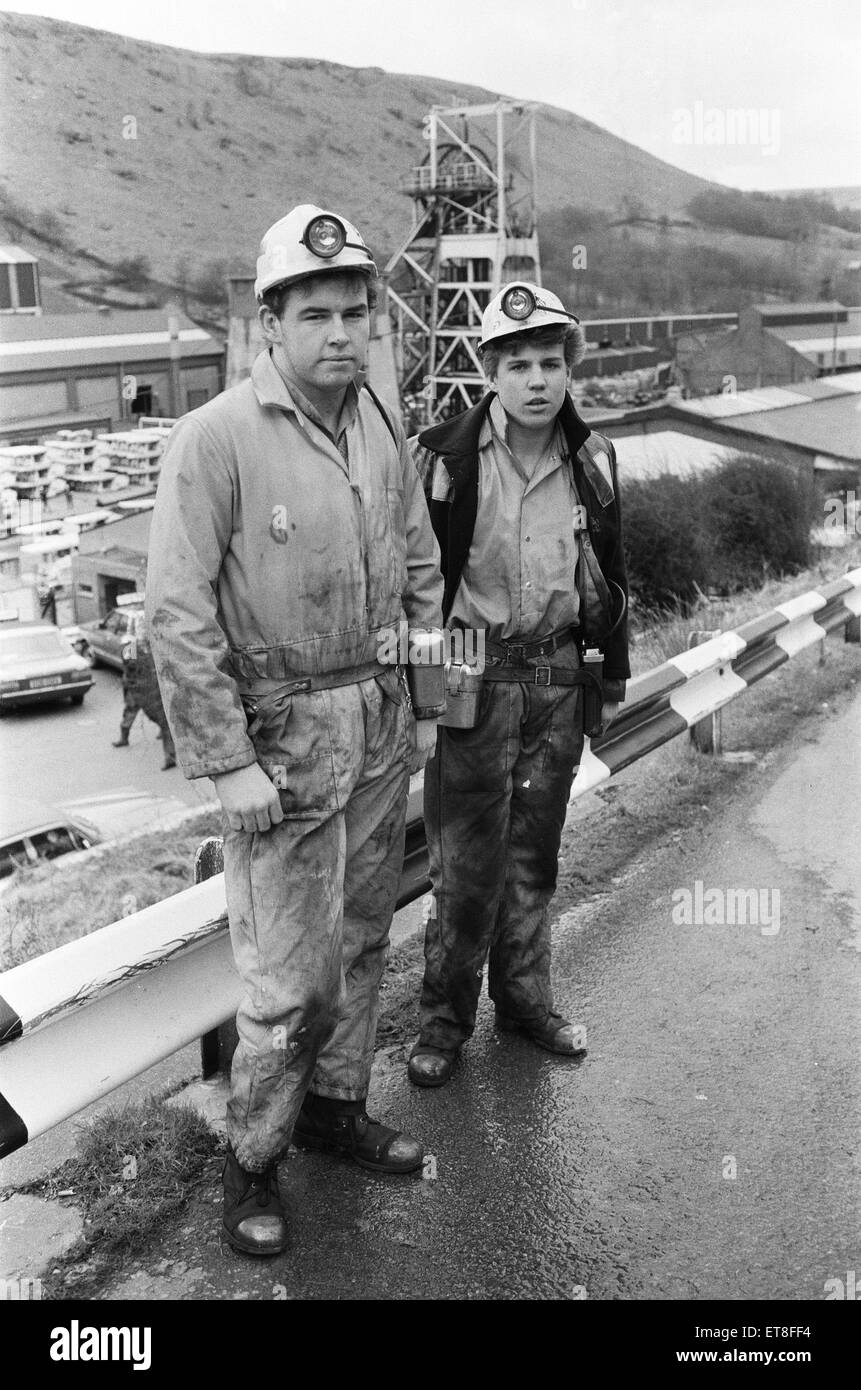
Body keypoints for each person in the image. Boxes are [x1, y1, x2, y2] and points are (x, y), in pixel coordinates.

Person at [145, 205, 443, 1257]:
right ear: (270, 322)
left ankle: (334, 1106)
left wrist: (431, 699)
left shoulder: (379, 425)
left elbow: (419, 574)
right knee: (285, 980)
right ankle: (255, 1159)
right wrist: (225, 763)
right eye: (314, 311)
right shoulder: (217, 437)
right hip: (278, 743)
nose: (340, 332)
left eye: (354, 310)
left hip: (378, 719)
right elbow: (174, 617)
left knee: (365, 935)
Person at [406, 281, 630, 1088]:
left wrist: (607, 679)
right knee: (464, 869)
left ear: (567, 369)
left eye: (549, 362)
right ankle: (442, 1022)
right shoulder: (440, 460)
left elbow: (609, 577)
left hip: (558, 680)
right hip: (472, 677)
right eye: (518, 364)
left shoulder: (593, 459)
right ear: (489, 372)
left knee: (534, 859)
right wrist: (422, 702)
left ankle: (526, 1004)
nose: (537, 380)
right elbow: (418, 588)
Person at [112, 614, 176, 770]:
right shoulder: (132, 646)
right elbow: (130, 664)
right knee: (135, 713)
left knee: (159, 718)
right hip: (140, 688)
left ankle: (169, 755)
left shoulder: (140, 645)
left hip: (146, 688)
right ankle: (124, 737)